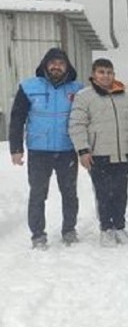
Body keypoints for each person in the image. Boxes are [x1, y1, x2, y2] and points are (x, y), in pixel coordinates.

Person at [9, 48, 84, 249]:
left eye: (61, 63)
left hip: (67, 149)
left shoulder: (78, 89)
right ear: (45, 65)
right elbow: (17, 118)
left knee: (69, 193)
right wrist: (16, 148)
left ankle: (69, 230)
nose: (56, 66)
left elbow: (87, 119)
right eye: (52, 62)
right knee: (38, 194)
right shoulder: (28, 87)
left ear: (67, 66)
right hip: (38, 150)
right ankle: (38, 235)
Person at [69, 58, 128, 247]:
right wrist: (83, 150)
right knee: (103, 193)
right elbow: (77, 124)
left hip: (123, 153)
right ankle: (106, 229)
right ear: (94, 75)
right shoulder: (84, 96)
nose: (106, 76)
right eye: (101, 72)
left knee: (120, 192)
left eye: (109, 72)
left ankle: (119, 226)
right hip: (98, 154)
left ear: (114, 74)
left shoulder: (125, 95)